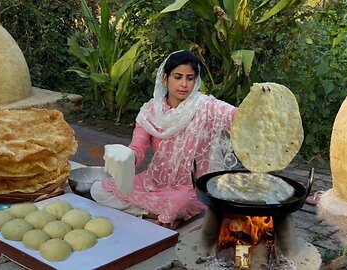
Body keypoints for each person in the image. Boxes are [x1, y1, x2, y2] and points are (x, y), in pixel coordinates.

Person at [90, 50, 238, 229]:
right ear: (165, 79)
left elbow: (238, 117)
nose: (184, 84)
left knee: (179, 202)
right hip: (156, 182)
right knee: (98, 190)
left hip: (188, 188)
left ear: (196, 81)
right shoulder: (150, 112)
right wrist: (128, 156)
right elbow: (139, 147)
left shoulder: (207, 107)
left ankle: (167, 213)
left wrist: (261, 102)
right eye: (178, 77)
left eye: (190, 78)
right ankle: (153, 214)